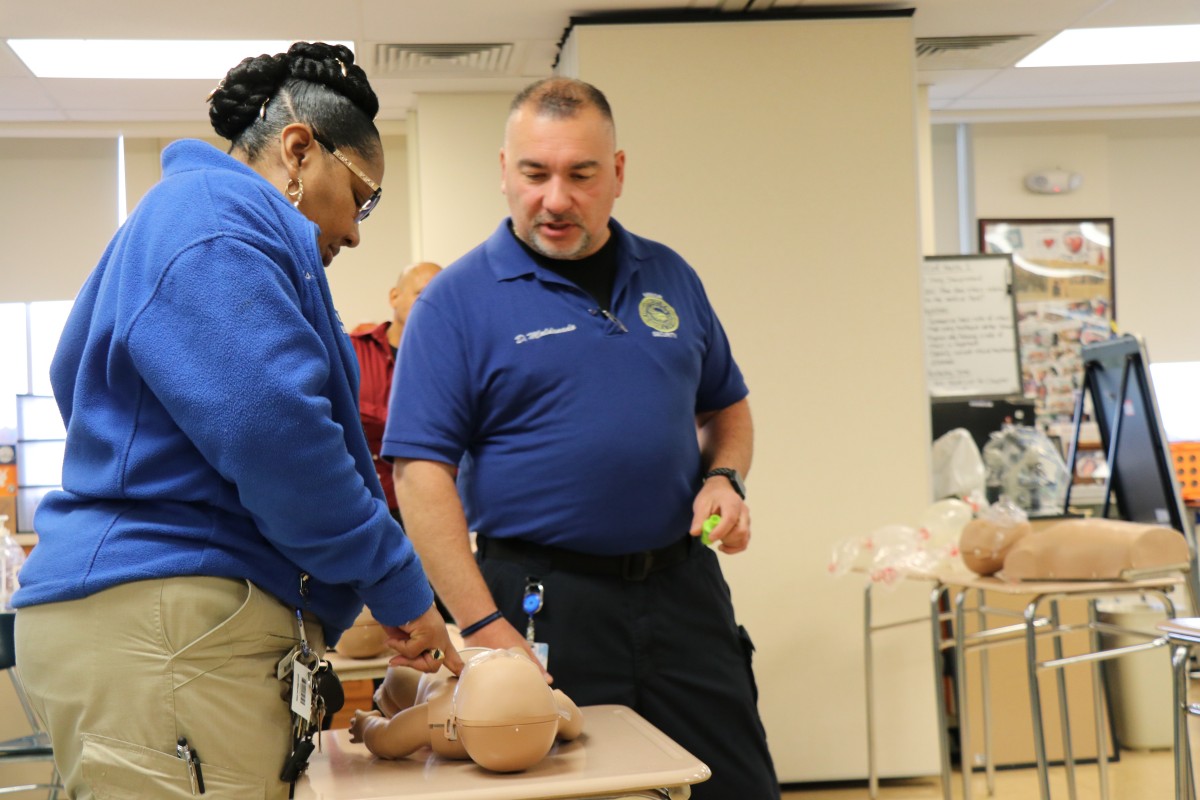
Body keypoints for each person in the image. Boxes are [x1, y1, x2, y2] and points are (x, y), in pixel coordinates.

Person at [12, 41, 461, 800]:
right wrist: (396, 581)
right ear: (298, 150)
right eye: (362, 196)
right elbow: (276, 435)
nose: (355, 232)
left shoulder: (199, 224)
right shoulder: (216, 223)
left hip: (167, 628)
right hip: (169, 627)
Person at [381, 77, 779, 798]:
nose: (556, 198)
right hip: (541, 606)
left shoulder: (670, 275)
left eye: (581, 174)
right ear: (504, 171)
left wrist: (725, 477)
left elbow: (728, 406)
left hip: (684, 593)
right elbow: (420, 475)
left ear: (618, 174)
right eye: (535, 174)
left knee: (738, 786)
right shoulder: (455, 303)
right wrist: (486, 628)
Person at [350, 261, 442, 519]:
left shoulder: (454, 362)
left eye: (441, 297)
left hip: (430, 507)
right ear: (394, 296)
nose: (433, 305)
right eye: (422, 294)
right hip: (365, 508)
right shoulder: (353, 351)